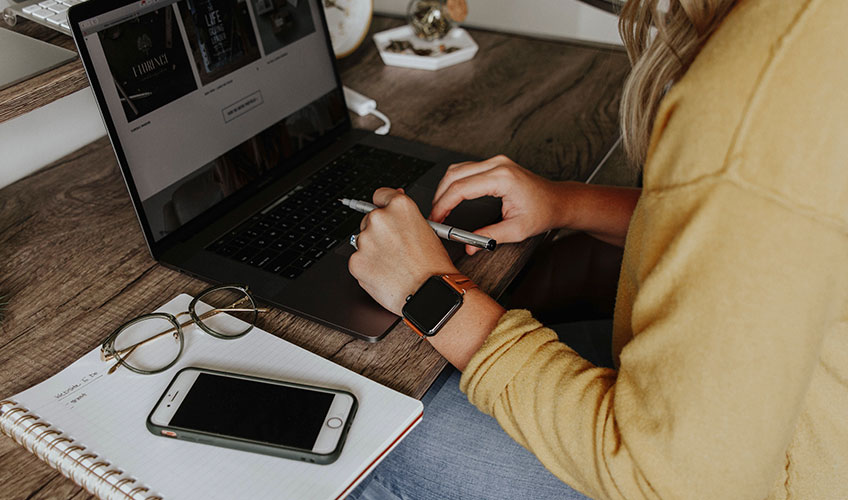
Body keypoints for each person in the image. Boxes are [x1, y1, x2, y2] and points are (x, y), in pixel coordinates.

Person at [346, 0, 848, 498]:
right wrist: (565, 202)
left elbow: (673, 483)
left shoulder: (754, 97)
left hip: (745, 474)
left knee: (362, 428)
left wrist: (428, 290)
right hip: (769, 409)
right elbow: (753, 237)